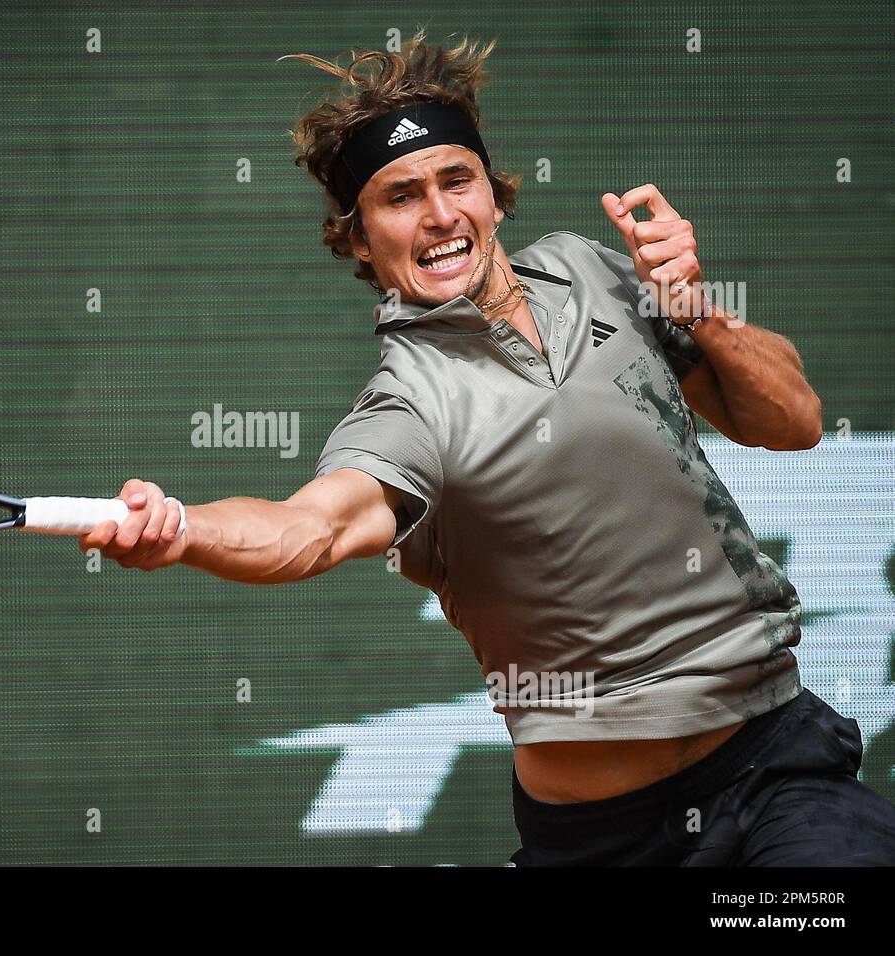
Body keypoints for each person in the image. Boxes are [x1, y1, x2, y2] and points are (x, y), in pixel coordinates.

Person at [77, 32, 895, 865]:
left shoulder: (592, 269)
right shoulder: (408, 404)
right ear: (358, 238)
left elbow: (793, 420)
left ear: (495, 197)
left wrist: (697, 309)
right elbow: (311, 529)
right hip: (601, 839)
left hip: (778, 770)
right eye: (400, 197)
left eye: (455, 180)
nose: (438, 215)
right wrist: (179, 527)